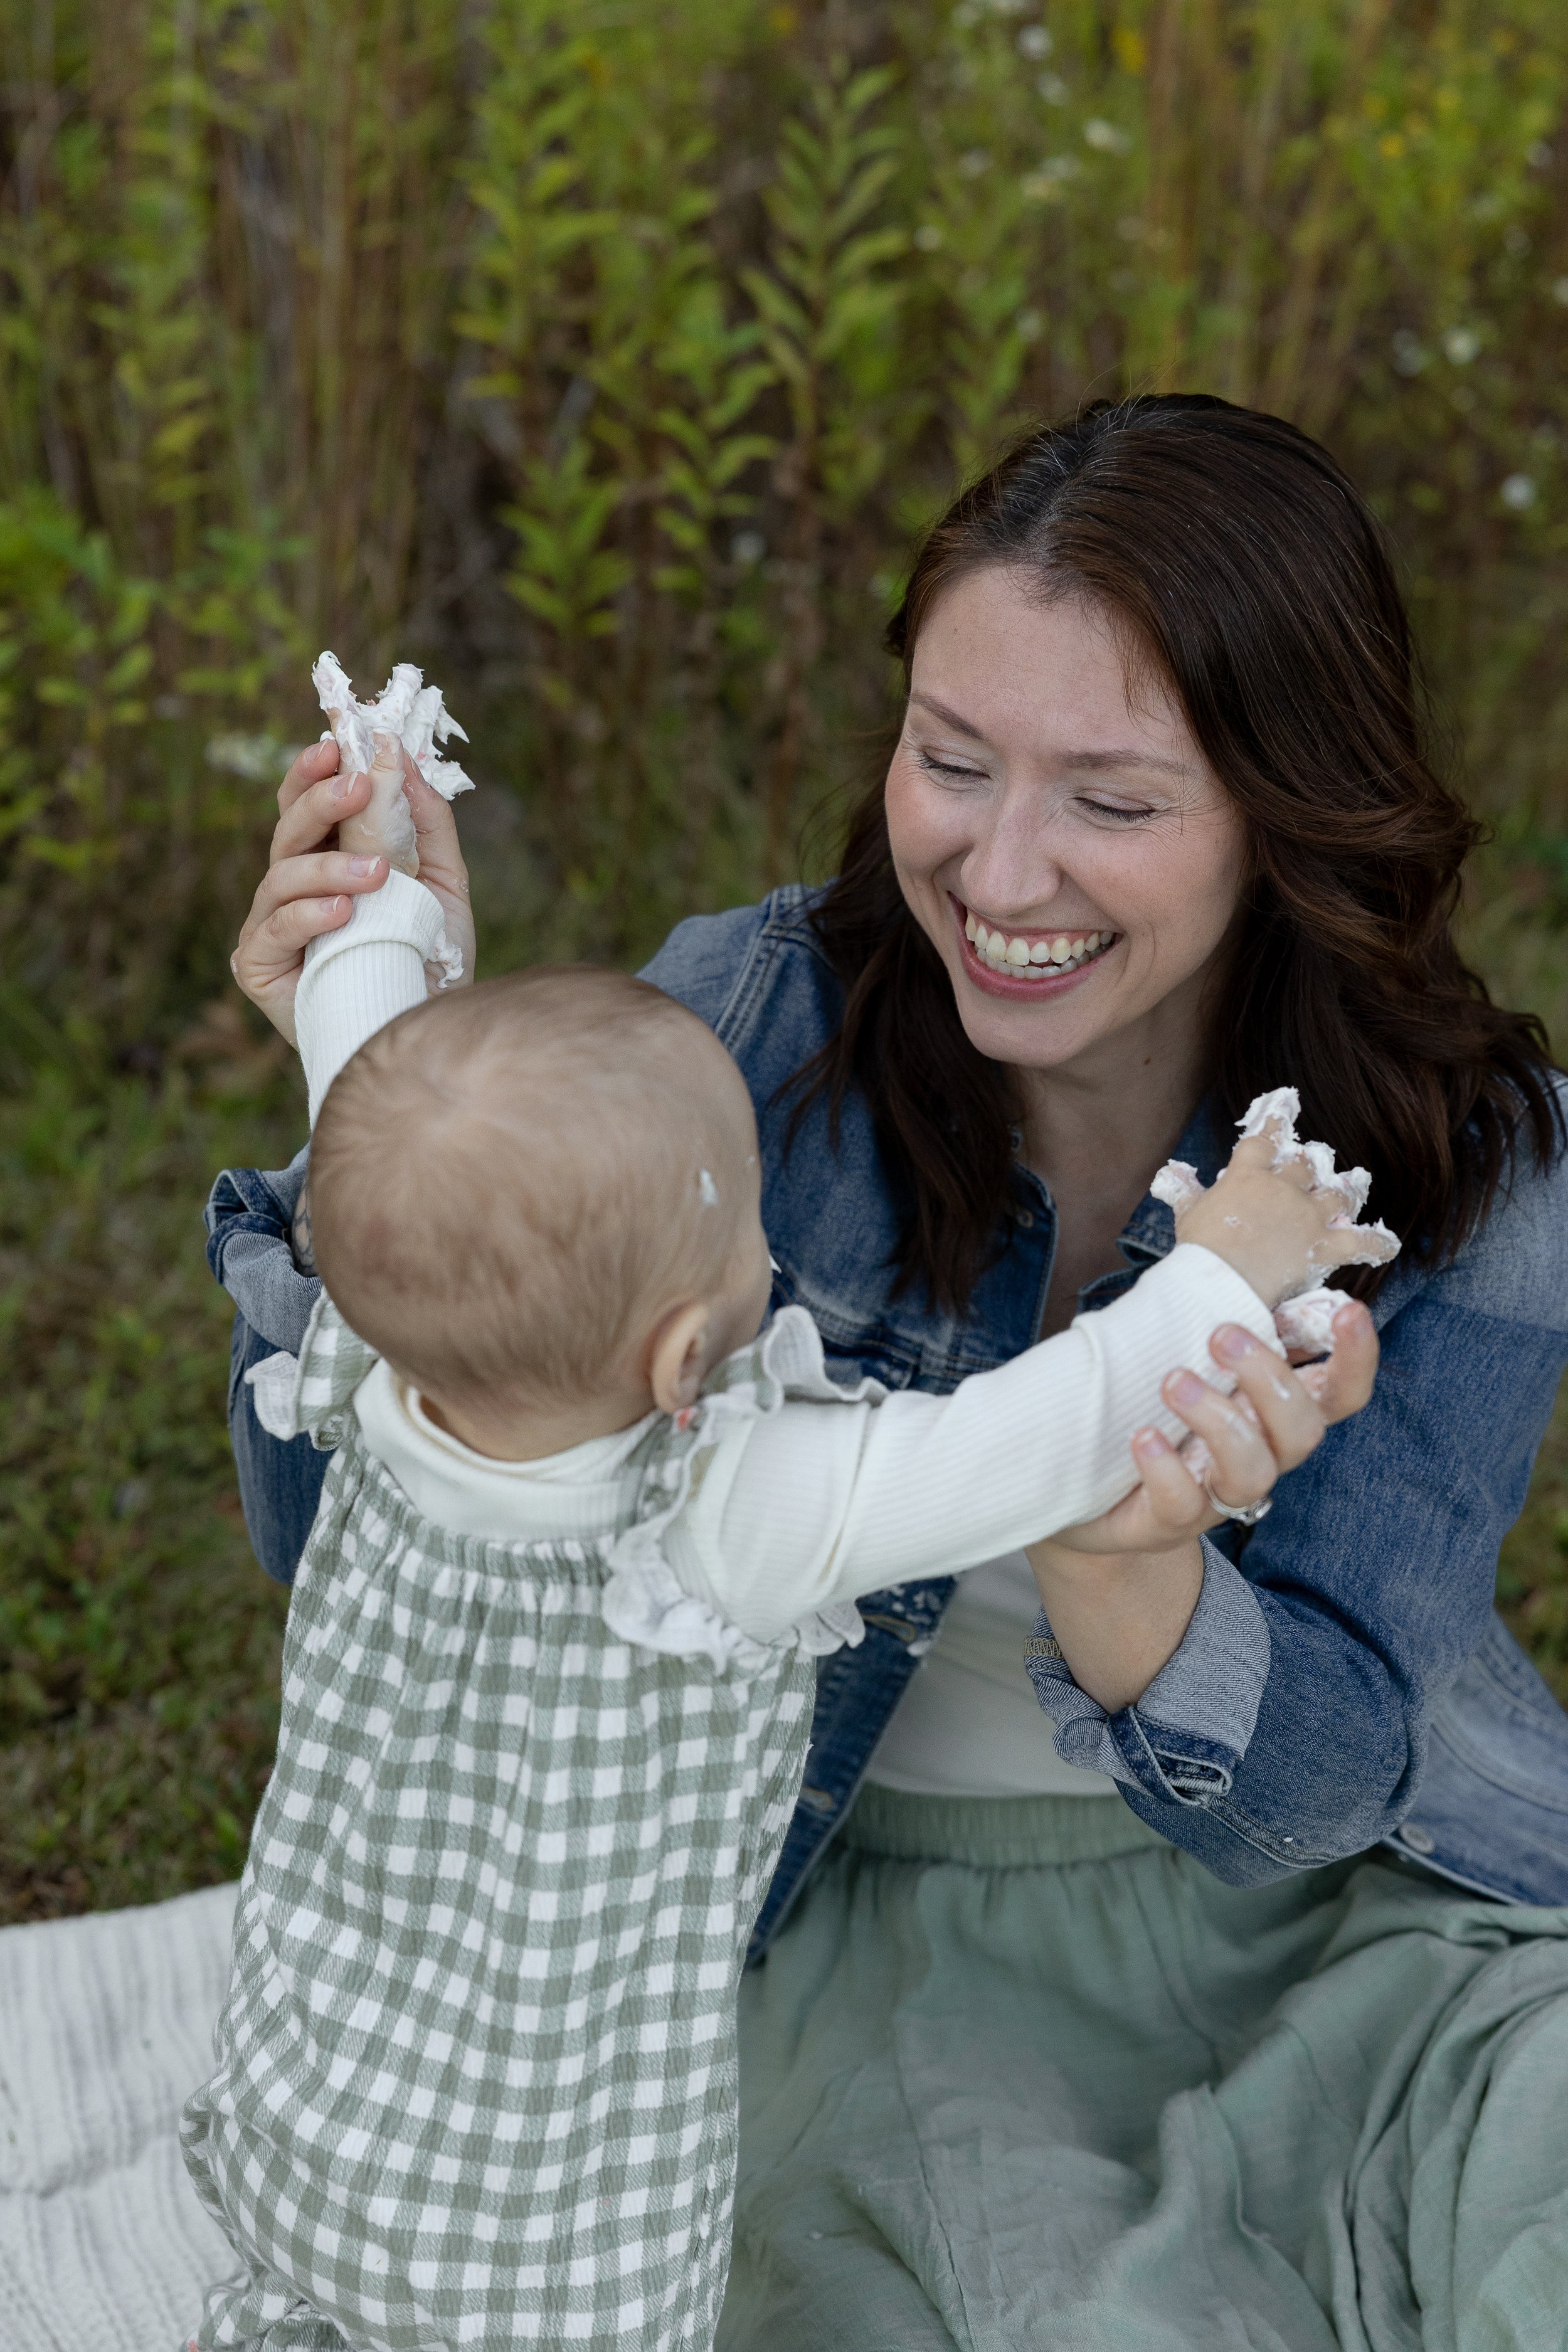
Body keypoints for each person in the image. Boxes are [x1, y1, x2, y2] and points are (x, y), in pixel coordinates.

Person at [217, 396, 1568, 2348]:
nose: (997, 868)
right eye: (948, 759)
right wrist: (379, 1122)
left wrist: (1128, 1568)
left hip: (1359, 1910)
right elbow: (376, 1547)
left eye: (1110, 799)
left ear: (1286, 804)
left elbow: (1322, 1789)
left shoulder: (1482, 1156)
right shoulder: (751, 1026)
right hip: (863, 1899)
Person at [182, 866, 1376, 2352]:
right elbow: (1027, 1436)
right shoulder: (721, 1517)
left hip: (323, 2116)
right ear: (685, 1353)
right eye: (748, 1218)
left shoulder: (368, 1360)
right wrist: (1217, 1272)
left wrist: (384, 911)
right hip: (552, 2238)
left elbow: (363, 1076)